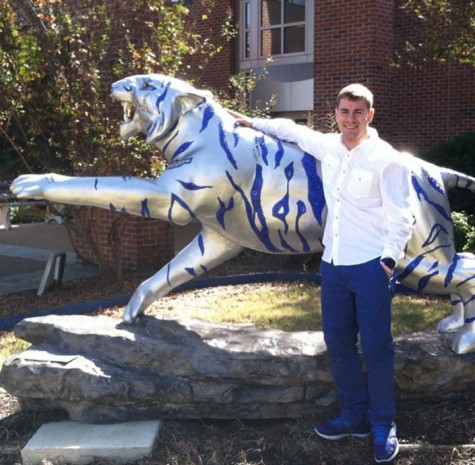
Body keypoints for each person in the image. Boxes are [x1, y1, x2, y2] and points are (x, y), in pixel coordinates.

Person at [232, 84, 413, 463]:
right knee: (340, 345)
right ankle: (353, 415)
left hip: (371, 268)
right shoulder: (329, 146)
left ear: (370, 115)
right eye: (344, 112)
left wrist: (389, 260)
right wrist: (252, 121)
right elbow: (293, 132)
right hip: (333, 266)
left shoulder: (388, 159)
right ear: (336, 113)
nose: (350, 119)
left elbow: (402, 216)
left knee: (377, 348)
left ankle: (382, 423)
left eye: (358, 112)